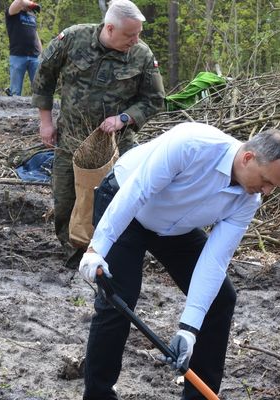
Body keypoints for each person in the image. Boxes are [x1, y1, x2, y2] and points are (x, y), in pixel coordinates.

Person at [77, 123, 280, 400]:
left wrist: (189, 329)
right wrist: (96, 249)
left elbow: (214, 260)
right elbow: (137, 192)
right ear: (248, 158)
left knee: (221, 299)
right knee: (119, 299)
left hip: (174, 228)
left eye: (273, 187)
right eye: (266, 181)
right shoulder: (192, 145)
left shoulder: (248, 199)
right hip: (127, 206)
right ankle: (98, 395)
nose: (266, 191)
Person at [32, 0, 165, 266]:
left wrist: (123, 118)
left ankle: (115, 254)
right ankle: (75, 257)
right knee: (65, 203)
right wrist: (45, 122)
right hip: (71, 140)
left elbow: (154, 99)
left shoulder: (141, 55)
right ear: (110, 28)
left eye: (138, 33)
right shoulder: (72, 39)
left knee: (120, 200)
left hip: (117, 146)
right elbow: (43, 78)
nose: (136, 40)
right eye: (130, 34)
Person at [5, 0, 42, 96]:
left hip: (34, 57)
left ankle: (38, 110)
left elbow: (35, 35)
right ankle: (13, 111)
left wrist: (42, 54)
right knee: (15, 91)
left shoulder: (32, 15)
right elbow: (19, 1)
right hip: (18, 56)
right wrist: (32, 4)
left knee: (39, 89)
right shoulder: (12, 12)